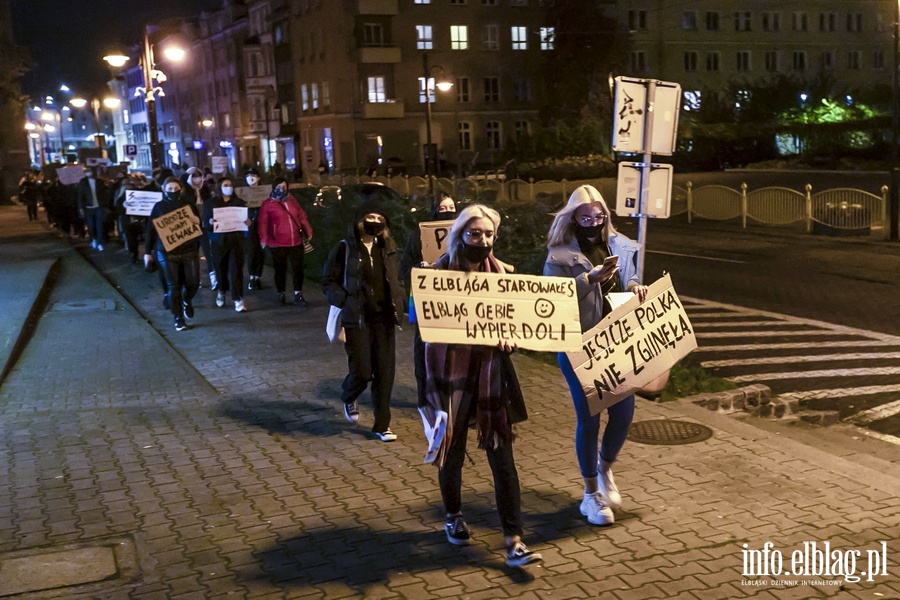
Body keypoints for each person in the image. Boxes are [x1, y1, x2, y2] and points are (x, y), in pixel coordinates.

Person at [420, 204, 542, 568]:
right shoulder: (437, 274)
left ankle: (514, 539)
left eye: (489, 234)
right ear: (460, 235)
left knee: (502, 458)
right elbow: (422, 330)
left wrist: (510, 341)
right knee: (451, 452)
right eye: (475, 234)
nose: (483, 240)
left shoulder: (504, 276)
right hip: (451, 378)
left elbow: (515, 325)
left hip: (489, 378)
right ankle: (453, 516)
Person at [542, 184, 648, 527]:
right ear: (573, 215)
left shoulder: (619, 244)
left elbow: (630, 275)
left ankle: (605, 471)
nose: (593, 220)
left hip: (617, 343)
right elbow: (553, 299)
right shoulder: (558, 254)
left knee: (624, 413)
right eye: (585, 216)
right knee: (589, 418)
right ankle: (590, 496)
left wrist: (633, 285)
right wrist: (588, 278)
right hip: (579, 346)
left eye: (599, 215)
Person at [321, 199, 406, 442]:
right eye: (370, 217)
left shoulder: (388, 248)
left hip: (384, 319)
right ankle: (349, 396)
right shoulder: (345, 248)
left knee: (385, 372)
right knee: (363, 369)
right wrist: (343, 300)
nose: (375, 223)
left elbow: (397, 278)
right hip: (357, 318)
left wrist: (399, 299)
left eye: (380, 219)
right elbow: (328, 281)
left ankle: (382, 425)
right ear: (359, 221)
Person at [400, 192, 456, 407]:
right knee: (425, 351)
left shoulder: (464, 235)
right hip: (428, 303)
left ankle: (453, 399)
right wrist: (420, 268)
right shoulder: (419, 236)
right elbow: (406, 267)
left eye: (451, 207)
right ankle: (426, 400)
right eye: (443, 208)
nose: (448, 212)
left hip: (455, 304)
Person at [144, 177, 202, 331]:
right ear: (164, 190)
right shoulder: (159, 207)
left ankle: (186, 300)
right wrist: (147, 252)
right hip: (167, 252)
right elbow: (150, 229)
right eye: (169, 189)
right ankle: (178, 318)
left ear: (181, 189)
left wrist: (197, 221)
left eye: (176, 189)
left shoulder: (189, 205)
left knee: (193, 283)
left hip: (188, 250)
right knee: (173, 286)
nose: (173, 192)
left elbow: (199, 226)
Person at [258, 177, 313, 306]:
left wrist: (308, 230)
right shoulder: (268, 204)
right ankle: (281, 292)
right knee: (280, 269)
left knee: (298, 268)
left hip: (296, 241)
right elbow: (263, 222)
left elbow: (301, 216)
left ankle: (298, 294)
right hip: (277, 243)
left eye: (284, 186)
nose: (281, 189)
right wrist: (264, 238)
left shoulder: (292, 200)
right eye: (278, 187)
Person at [203, 176, 249, 313]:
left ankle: (238, 299)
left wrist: (247, 222)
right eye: (225, 185)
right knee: (221, 270)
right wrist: (210, 223)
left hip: (235, 242)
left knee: (236, 270)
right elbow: (205, 223)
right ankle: (221, 291)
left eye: (230, 185)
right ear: (219, 187)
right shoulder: (211, 203)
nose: (228, 187)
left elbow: (246, 220)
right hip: (219, 242)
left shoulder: (239, 203)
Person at [184, 166, 216, 289]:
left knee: (208, 250)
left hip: (205, 224)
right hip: (192, 224)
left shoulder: (205, 190)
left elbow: (209, 204)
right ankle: (196, 279)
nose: (197, 180)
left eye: (199, 177)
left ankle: (213, 276)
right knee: (193, 252)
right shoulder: (185, 190)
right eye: (194, 177)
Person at [76, 167, 112, 251]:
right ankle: (93, 239)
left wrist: (105, 205)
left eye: (89, 171)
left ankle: (99, 242)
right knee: (91, 226)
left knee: (99, 225)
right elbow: (80, 195)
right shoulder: (83, 182)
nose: (88, 173)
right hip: (88, 208)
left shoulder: (99, 181)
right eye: (86, 171)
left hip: (98, 207)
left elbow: (104, 194)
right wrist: (81, 207)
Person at [243, 168, 266, 290]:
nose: (251, 178)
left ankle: (258, 276)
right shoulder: (242, 193)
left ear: (258, 178)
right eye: (248, 175)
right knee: (252, 251)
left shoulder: (264, 192)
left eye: (253, 175)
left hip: (262, 225)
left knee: (261, 252)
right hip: (249, 226)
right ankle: (252, 276)